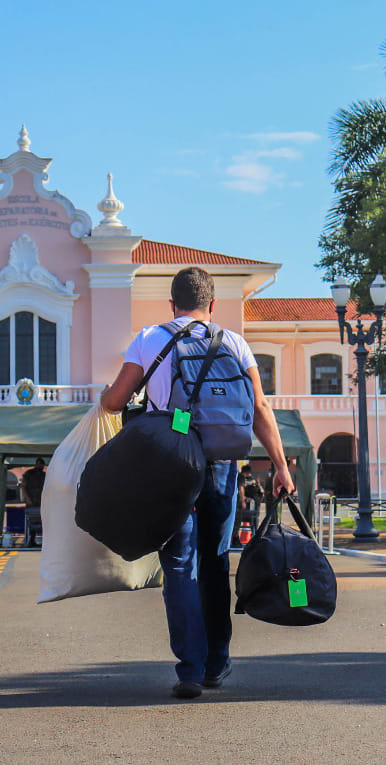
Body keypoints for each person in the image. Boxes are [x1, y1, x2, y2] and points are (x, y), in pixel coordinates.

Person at [101, 266, 294, 700]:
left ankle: (189, 668)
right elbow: (260, 407)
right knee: (214, 562)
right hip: (222, 465)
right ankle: (216, 664)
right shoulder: (235, 343)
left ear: (172, 304)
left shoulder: (150, 338)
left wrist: (106, 397)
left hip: (171, 466)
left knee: (178, 565)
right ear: (212, 305)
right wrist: (281, 466)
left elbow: (116, 401)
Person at [20, 458, 46, 547]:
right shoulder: (29, 473)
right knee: (31, 521)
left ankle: (44, 542)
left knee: (43, 521)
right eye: (39, 464)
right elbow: (23, 486)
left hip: (42, 502)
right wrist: (27, 498)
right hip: (31, 501)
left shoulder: (44, 475)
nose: (40, 466)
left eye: (41, 464)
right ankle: (31, 540)